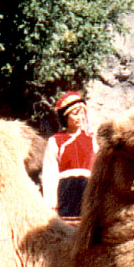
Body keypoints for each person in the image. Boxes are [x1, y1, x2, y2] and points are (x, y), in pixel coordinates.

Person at [41, 88, 96, 218]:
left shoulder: (92, 140)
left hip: (87, 191)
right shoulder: (56, 141)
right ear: (66, 116)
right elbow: (50, 174)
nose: (80, 117)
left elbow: (97, 170)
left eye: (82, 113)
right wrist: (51, 202)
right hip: (65, 191)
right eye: (75, 114)